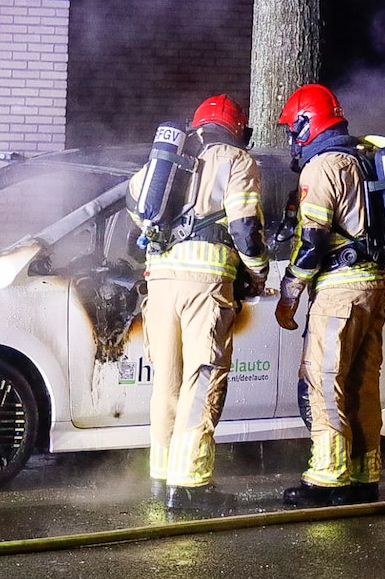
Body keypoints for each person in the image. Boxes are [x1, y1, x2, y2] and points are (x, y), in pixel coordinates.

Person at [127, 94, 269, 510]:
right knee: (202, 379)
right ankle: (190, 486)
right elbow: (245, 228)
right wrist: (258, 273)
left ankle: (163, 475)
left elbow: (139, 208)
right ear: (237, 129)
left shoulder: (170, 160)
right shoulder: (237, 160)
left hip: (161, 283)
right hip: (204, 287)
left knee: (167, 383)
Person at [274, 84, 385, 506]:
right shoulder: (360, 161)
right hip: (372, 286)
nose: (292, 139)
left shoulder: (321, 166)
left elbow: (312, 242)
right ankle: (364, 474)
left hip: (339, 290)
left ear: (308, 123)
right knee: (361, 383)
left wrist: (289, 294)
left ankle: (327, 478)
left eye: (293, 129)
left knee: (325, 381)